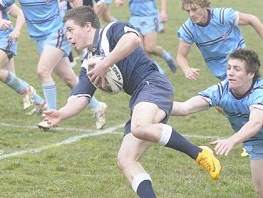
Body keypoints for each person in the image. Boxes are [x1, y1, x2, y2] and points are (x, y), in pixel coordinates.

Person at [41, 6, 221, 197]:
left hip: (153, 84)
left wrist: (106, 63)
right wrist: (61, 113)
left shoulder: (111, 30)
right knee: (126, 160)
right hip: (139, 97)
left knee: (140, 126)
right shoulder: (89, 62)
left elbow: (133, 39)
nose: (68, 36)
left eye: (70, 29)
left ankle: (199, 154)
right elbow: (80, 97)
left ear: (87, 26)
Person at [0, 0, 107, 129]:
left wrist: (79, 21)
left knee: (43, 71)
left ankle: (50, 118)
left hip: (57, 32)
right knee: (69, 79)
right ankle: (98, 106)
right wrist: (0, 21)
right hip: (40, 38)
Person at [172, 48, 263, 198]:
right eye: (229, 68)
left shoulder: (259, 91)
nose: (230, 72)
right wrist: (153, 102)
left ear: (251, 73)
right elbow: (185, 107)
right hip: (256, 143)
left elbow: (255, 123)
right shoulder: (221, 90)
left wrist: (231, 141)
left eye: (237, 69)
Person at [176, 0, 263, 156]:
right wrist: (186, 68)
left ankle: (249, 137)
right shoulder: (189, 28)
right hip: (225, 75)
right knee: (223, 106)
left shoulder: (223, 16)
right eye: (187, 11)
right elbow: (181, 56)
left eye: (194, 9)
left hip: (242, 70)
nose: (191, 14)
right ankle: (249, 137)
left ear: (205, 5)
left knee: (253, 102)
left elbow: (252, 19)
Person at [115, 0, 177, 73]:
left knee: (150, 48)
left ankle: (167, 56)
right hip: (135, 17)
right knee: (141, 51)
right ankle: (159, 73)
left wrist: (163, 11)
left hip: (150, 17)